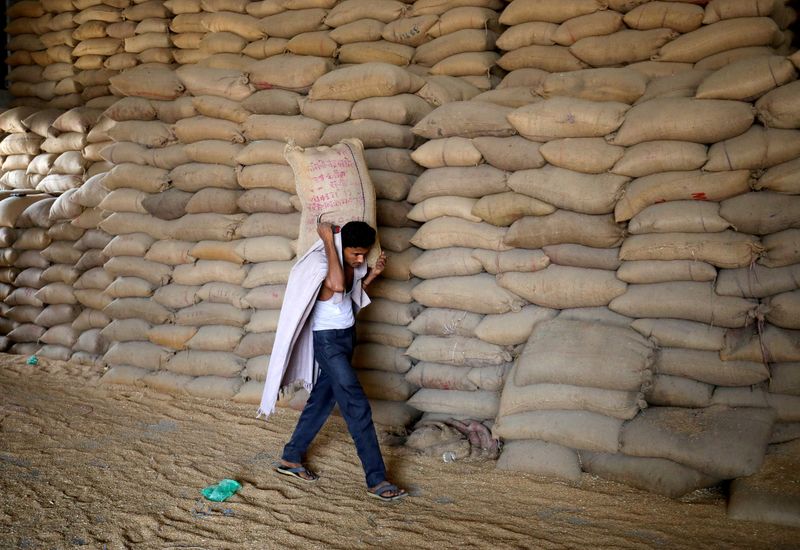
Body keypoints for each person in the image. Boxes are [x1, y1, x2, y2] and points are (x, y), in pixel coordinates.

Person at [273, 220, 408, 502]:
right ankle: (376, 479)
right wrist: (327, 240)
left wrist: (371, 276)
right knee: (356, 405)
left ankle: (291, 457)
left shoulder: (347, 265)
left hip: (347, 337)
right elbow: (335, 285)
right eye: (355, 253)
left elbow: (347, 296)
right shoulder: (323, 264)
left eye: (364, 254)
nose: (361, 260)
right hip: (328, 343)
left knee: (322, 399)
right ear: (340, 247)